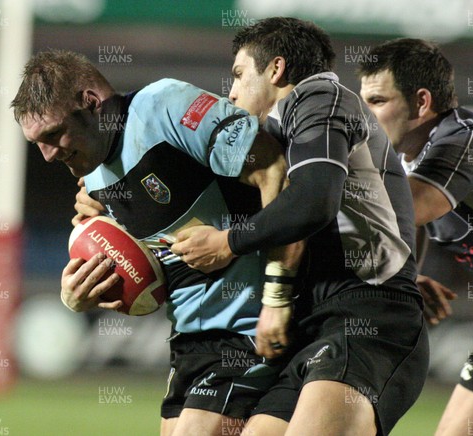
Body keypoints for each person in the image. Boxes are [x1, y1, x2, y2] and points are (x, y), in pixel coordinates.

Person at [11, 49, 303, 436]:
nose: (47, 155)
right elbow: (157, 276)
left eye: (53, 134)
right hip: (189, 341)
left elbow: (273, 169)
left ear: (92, 102)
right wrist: (82, 295)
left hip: (250, 328)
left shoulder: (164, 106)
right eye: (37, 143)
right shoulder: (94, 182)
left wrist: (275, 298)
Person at [170, 17, 429, 436]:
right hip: (316, 321)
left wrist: (229, 242)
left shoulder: (320, 98)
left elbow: (313, 201)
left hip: (368, 315)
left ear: (275, 69)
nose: (231, 91)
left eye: (238, 74)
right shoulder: (277, 131)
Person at [358, 38, 473, 435]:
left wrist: (312, 185)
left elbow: (409, 208)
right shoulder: (410, 160)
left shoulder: (465, 140)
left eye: (376, 101)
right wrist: (407, 277)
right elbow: (413, 223)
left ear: (422, 101)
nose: (364, 117)